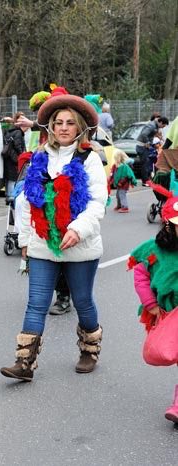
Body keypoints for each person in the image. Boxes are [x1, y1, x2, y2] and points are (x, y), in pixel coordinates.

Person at [0, 88, 108, 381]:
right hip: (42, 243)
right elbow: (26, 203)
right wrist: (24, 240)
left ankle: (89, 349)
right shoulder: (38, 158)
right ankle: (24, 363)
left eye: (69, 123)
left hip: (80, 244)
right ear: (50, 127)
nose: (63, 128)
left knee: (83, 301)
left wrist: (77, 229)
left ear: (80, 127)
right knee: (36, 302)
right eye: (58, 123)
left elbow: (98, 203)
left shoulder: (90, 159)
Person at [128, 187, 178, 425]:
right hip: (170, 313)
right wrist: (151, 304)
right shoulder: (155, 250)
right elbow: (140, 275)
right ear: (169, 225)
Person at [136, 116, 169, 185]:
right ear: (160, 122)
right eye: (163, 125)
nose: (163, 127)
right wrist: (147, 142)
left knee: (146, 164)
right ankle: (145, 181)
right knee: (145, 164)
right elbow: (144, 134)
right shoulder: (152, 126)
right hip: (142, 146)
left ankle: (147, 179)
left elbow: (152, 134)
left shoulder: (155, 125)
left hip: (145, 147)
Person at [3, 112, 27, 203]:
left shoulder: (11, 130)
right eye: (20, 119)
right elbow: (18, 145)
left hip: (9, 157)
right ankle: (11, 197)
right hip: (14, 158)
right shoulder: (18, 132)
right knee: (13, 177)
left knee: (10, 177)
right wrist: (22, 155)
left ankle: (9, 196)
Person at [110, 148, 137, 213]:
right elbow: (113, 173)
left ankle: (125, 207)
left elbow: (126, 176)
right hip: (119, 184)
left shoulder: (124, 166)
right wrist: (111, 180)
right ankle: (119, 205)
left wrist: (121, 182)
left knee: (122, 195)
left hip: (123, 184)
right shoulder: (116, 166)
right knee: (118, 195)